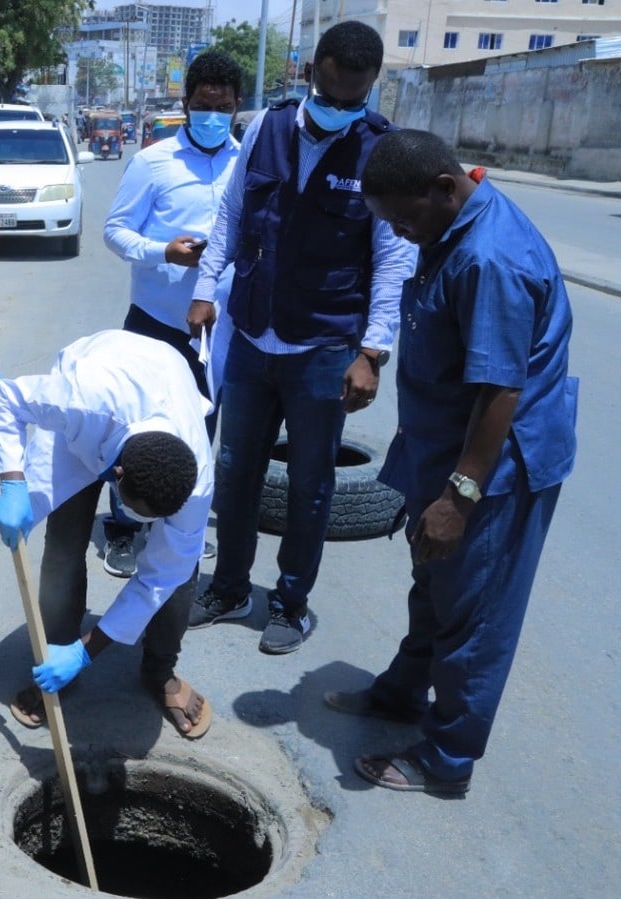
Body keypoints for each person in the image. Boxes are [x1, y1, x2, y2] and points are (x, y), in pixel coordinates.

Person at [322, 131, 578, 795]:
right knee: (433, 587)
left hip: (492, 468)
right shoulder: (451, 228)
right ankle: (402, 692)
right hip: (443, 447)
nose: (401, 235)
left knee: (472, 614)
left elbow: (499, 389)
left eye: (404, 220)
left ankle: (446, 758)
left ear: (443, 187)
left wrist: (457, 497)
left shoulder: (489, 259)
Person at [186, 22, 415, 655]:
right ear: (310, 71)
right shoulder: (266, 127)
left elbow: (393, 261)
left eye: (353, 100)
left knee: (312, 483)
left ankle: (291, 602)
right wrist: (207, 289)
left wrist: (372, 353)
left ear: (371, 89)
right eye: (329, 92)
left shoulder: (380, 150)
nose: (337, 108)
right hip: (255, 337)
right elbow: (231, 214)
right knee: (235, 472)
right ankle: (229, 587)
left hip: (326, 347)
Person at [0, 331, 215, 739]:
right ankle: (54, 649)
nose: (139, 523)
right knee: (63, 545)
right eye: (133, 510)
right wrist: (12, 483)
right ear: (117, 476)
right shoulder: (78, 401)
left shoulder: (194, 483)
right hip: (97, 399)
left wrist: (85, 653)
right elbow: (7, 399)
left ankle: (159, 669)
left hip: (165, 377)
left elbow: (159, 578)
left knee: (180, 572)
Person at [101, 50, 243, 579]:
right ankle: (124, 528)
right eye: (202, 106)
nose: (212, 116)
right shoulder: (153, 162)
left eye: (223, 107)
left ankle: (181, 525)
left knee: (201, 426)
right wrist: (165, 251)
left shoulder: (247, 161)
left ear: (236, 108)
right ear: (185, 105)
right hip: (157, 321)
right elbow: (115, 232)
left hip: (217, 329)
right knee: (138, 426)